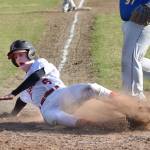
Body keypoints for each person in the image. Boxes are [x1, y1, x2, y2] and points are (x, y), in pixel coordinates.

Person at [0, 39, 118, 127]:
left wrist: (14, 92)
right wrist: (12, 114)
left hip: (63, 94)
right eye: (15, 57)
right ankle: (94, 126)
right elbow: (21, 101)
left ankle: (124, 103)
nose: (18, 59)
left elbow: (36, 76)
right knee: (58, 117)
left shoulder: (40, 63)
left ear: (30, 53)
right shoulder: (25, 86)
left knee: (92, 88)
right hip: (47, 108)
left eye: (21, 55)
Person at [119, 0, 150, 99]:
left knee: (131, 58)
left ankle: (135, 99)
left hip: (142, 19)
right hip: (129, 19)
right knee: (134, 59)